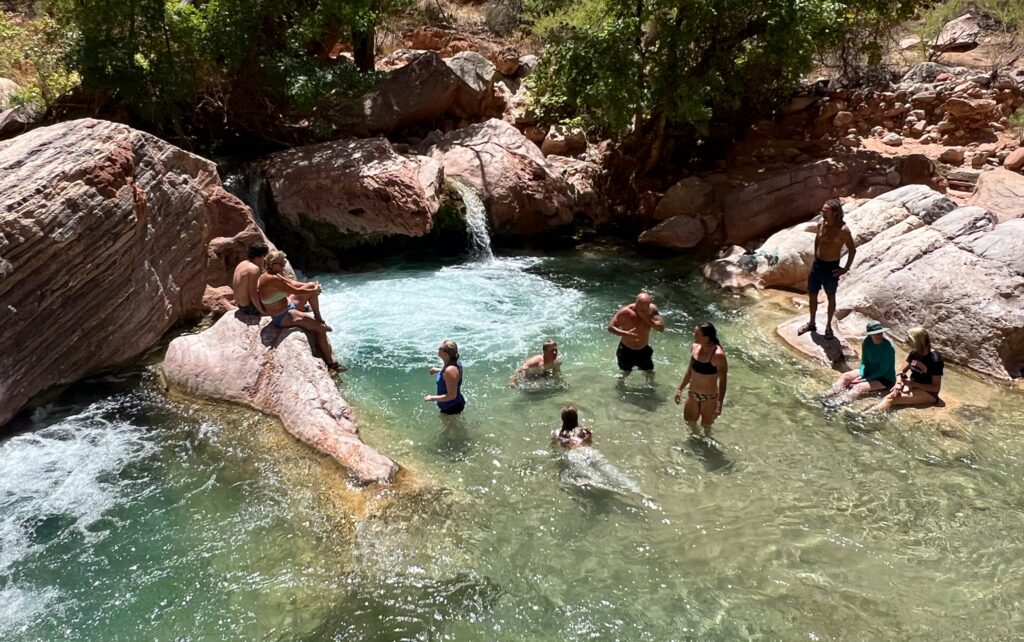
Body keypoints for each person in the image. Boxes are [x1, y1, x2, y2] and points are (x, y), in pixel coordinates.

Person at [257, 250, 343, 371]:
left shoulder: (274, 273)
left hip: (288, 306)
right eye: (280, 264)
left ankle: (319, 317)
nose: (282, 266)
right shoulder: (271, 279)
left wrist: (312, 286)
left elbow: (292, 283)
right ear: (271, 263)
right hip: (283, 316)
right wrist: (314, 290)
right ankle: (331, 364)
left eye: (283, 264)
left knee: (310, 286)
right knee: (320, 329)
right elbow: (295, 290)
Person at [798, 199, 856, 339]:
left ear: (835, 213)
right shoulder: (821, 223)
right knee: (812, 294)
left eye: (825, 211)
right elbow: (817, 240)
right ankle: (812, 323)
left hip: (832, 267)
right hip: (818, 265)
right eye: (822, 210)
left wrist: (845, 269)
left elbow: (852, 250)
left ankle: (828, 326)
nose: (822, 212)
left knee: (831, 297)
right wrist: (815, 257)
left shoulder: (843, 230)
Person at [869, 326, 943, 412]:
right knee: (889, 397)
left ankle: (865, 416)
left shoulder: (935, 359)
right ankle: (868, 411)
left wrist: (913, 384)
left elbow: (936, 388)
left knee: (891, 400)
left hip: (928, 393)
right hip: (912, 385)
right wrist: (898, 383)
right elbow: (901, 371)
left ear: (918, 342)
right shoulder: (915, 352)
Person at [674, 323, 729, 437]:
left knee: (706, 428)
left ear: (707, 337)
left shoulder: (718, 355)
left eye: (697, 334)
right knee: (690, 423)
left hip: (709, 398)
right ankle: (694, 447)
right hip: (692, 394)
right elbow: (690, 372)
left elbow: (723, 380)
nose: (694, 335)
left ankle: (707, 451)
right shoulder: (695, 347)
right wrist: (680, 388)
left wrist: (719, 403)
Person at [826, 320, 896, 402]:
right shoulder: (866, 342)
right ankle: (827, 395)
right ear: (870, 335)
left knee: (859, 387)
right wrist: (862, 374)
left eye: (880, 333)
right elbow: (864, 362)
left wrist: (865, 379)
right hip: (868, 371)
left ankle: (838, 403)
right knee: (845, 376)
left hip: (884, 378)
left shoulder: (888, 347)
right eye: (876, 334)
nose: (879, 336)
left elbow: (883, 370)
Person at [607, 292, 665, 377]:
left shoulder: (652, 310)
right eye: (641, 308)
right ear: (636, 303)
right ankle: (621, 388)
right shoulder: (626, 312)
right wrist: (625, 333)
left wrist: (645, 317)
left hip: (643, 349)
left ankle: (651, 388)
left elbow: (661, 329)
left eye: (646, 307)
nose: (644, 310)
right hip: (626, 349)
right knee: (624, 373)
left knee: (649, 372)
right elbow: (610, 327)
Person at [424, 340, 466, 415]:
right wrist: (438, 370)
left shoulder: (450, 370)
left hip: (451, 408)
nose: (438, 349)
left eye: (440, 348)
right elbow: (452, 375)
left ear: (446, 354)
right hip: (452, 405)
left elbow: (452, 396)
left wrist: (432, 398)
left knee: (451, 427)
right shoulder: (455, 362)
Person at [231, 242, 269, 316]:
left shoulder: (242, 263)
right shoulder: (254, 269)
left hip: (239, 305)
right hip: (248, 308)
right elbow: (253, 293)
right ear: (261, 256)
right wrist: (262, 311)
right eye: (265, 256)